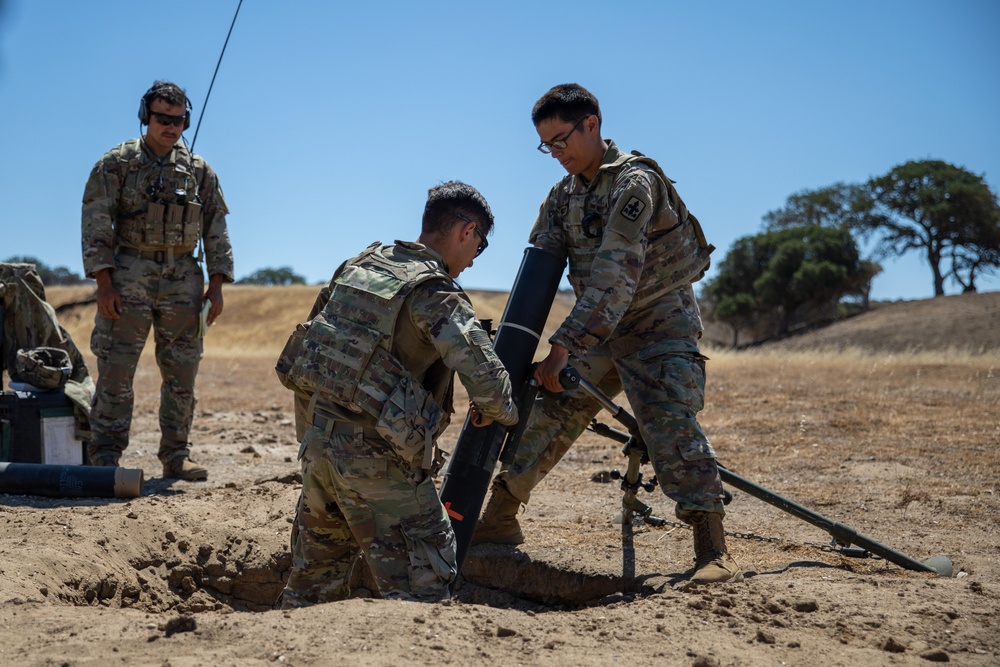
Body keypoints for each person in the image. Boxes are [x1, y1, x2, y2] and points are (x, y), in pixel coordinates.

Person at [473, 83, 742, 584]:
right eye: (545, 145)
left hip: (657, 322)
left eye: (561, 140)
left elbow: (616, 275)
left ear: (592, 125)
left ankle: (711, 547)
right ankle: (497, 522)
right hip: (599, 330)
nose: (555, 154)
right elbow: (540, 265)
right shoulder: (562, 196)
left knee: (668, 420)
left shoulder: (634, 184)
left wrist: (564, 345)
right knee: (545, 407)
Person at [278, 181, 519, 606]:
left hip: (319, 451)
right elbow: (492, 387)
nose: (474, 261)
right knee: (424, 587)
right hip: (379, 463)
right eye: (479, 247)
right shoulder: (435, 291)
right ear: (467, 231)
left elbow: (307, 357)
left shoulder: (358, 266)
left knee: (311, 588)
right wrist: (499, 410)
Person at [81, 81, 233, 481]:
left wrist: (216, 285)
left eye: (178, 120)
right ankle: (106, 457)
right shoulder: (117, 164)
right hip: (129, 272)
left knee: (182, 373)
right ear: (145, 117)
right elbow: (96, 222)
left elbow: (216, 227)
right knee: (116, 369)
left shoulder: (199, 171)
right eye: (162, 118)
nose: (171, 126)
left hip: (183, 276)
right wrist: (104, 282)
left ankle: (176, 456)